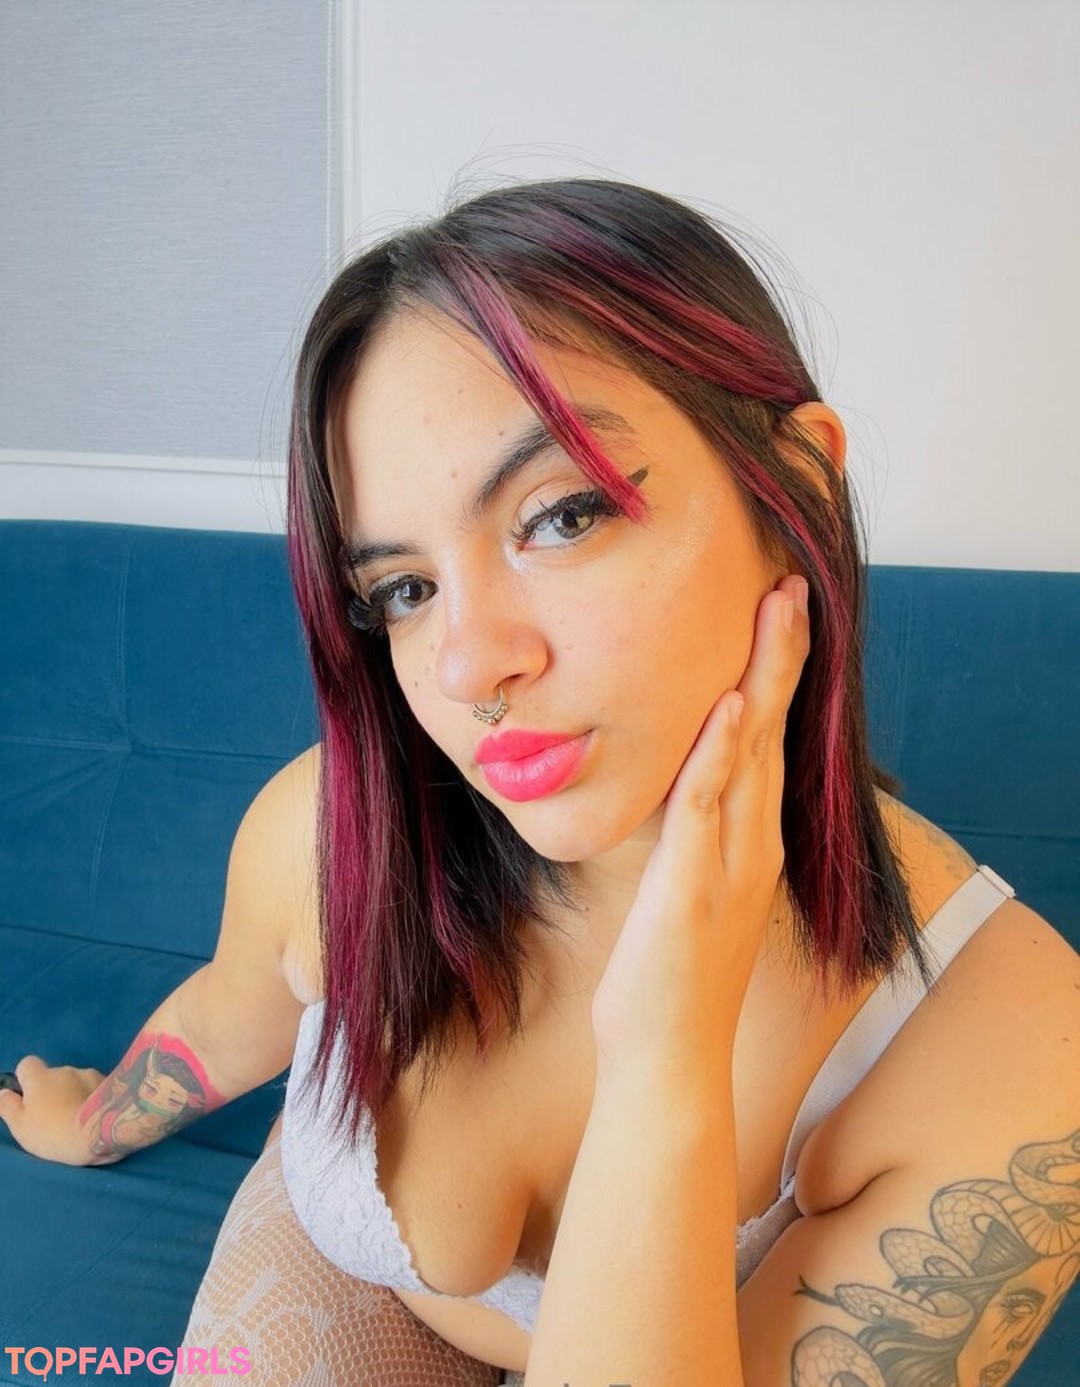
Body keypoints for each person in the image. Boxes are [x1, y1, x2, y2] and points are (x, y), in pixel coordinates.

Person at [1, 177, 1076, 1386]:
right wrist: (95, 1122)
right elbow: (232, 1010)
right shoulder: (338, 824)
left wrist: (667, 1050)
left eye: (561, 516)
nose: (468, 667)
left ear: (798, 492)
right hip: (349, 1290)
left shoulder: (1012, 1042)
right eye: (404, 589)